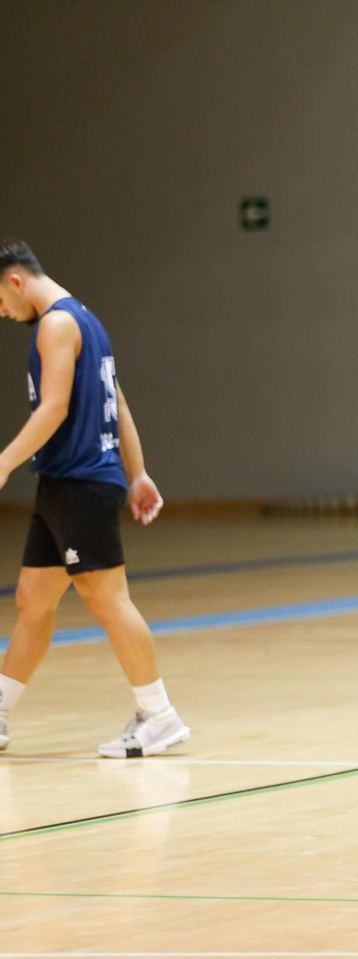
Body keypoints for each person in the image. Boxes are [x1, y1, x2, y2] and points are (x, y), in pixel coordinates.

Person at [0, 239, 189, 758]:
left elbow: (54, 409)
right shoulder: (87, 319)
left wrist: (4, 461)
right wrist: (138, 472)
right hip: (62, 483)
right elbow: (116, 402)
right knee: (33, 600)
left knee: (107, 598)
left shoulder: (57, 324)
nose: (2, 311)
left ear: (15, 281)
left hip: (80, 483)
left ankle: (159, 715)